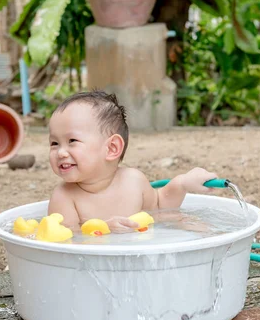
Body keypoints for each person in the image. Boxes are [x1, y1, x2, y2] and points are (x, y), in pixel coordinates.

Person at [47, 89, 217, 233]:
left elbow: (160, 208)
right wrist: (104, 229)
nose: (60, 152)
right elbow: (66, 242)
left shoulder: (133, 180)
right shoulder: (64, 197)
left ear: (112, 148)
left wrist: (182, 183)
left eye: (72, 141)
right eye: (54, 143)